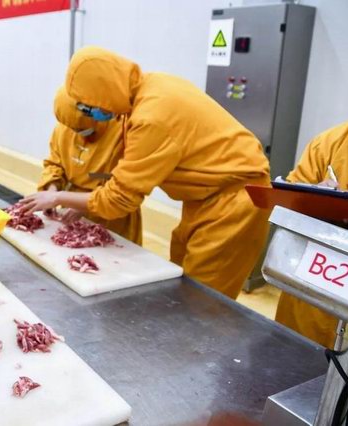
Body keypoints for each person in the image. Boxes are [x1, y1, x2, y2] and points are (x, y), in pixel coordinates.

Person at [21, 46, 271, 299]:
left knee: (203, 294)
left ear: (105, 89)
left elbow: (119, 199)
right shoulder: (150, 88)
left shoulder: (151, 116)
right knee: (182, 269)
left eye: (89, 107)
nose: (93, 113)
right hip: (203, 197)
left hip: (235, 198)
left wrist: (57, 197)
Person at [275, 121, 348, 347]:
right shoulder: (330, 143)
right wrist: (317, 197)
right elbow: (291, 197)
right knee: (294, 346)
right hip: (317, 266)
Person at [37, 86, 142, 244]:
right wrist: (51, 190)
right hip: (69, 208)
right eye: (73, 129)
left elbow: (127, 187)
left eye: (83, 129)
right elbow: (55, 163)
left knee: (111, 252)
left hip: (112, 213)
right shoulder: (66, 123)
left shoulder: (124, 129)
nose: (77, 133)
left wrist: (84, 206)